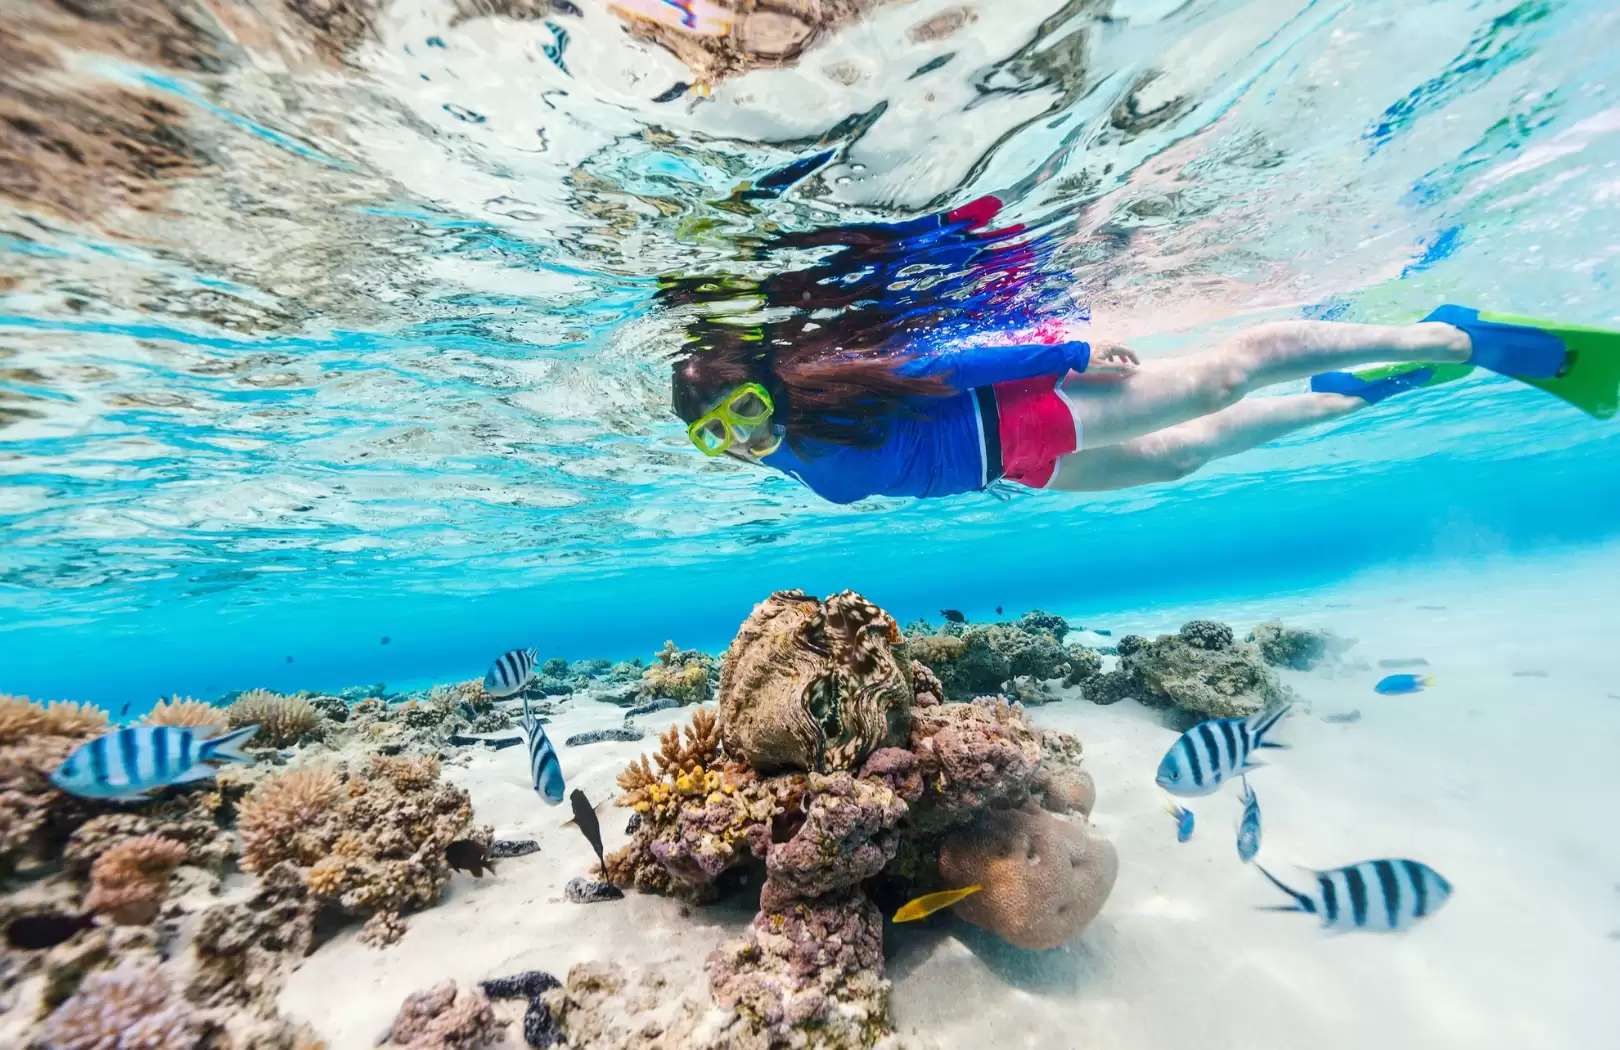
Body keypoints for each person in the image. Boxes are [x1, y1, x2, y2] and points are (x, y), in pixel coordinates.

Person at [665, 197, 1605, 505]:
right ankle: (1375, 386)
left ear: (764, 380)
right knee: (1190, 454)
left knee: (1224, 375)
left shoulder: (823, 377)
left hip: (1021, 409)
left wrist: (1067, 350)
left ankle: (1451, 335)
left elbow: (944, 364)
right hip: (1014, 469)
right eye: (720, 437)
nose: (743, 438)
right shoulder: (788, 458)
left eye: (743, 411)